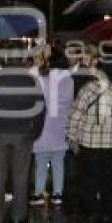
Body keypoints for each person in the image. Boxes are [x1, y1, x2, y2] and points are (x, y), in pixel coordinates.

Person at [0, 46, 46, 223]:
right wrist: (35, 132)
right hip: (23, 133)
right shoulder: (32, 81)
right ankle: (19, 216)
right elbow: (40, 110)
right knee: (21, 175)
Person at [67, 51, 112, 223]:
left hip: (90, 143)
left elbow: (75, 115)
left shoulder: (89, 89)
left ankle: (92, 211)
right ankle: (107, 210)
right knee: (109, 178)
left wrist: (72, 137)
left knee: (89, 179)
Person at [31, 47, 74, 207]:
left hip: (44, 125)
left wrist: (37, 65)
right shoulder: (69, 80)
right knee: (58, 161)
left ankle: (38, 193)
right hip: (61, 125)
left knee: (41, 161)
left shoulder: (43, 79)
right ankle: (58, 193)